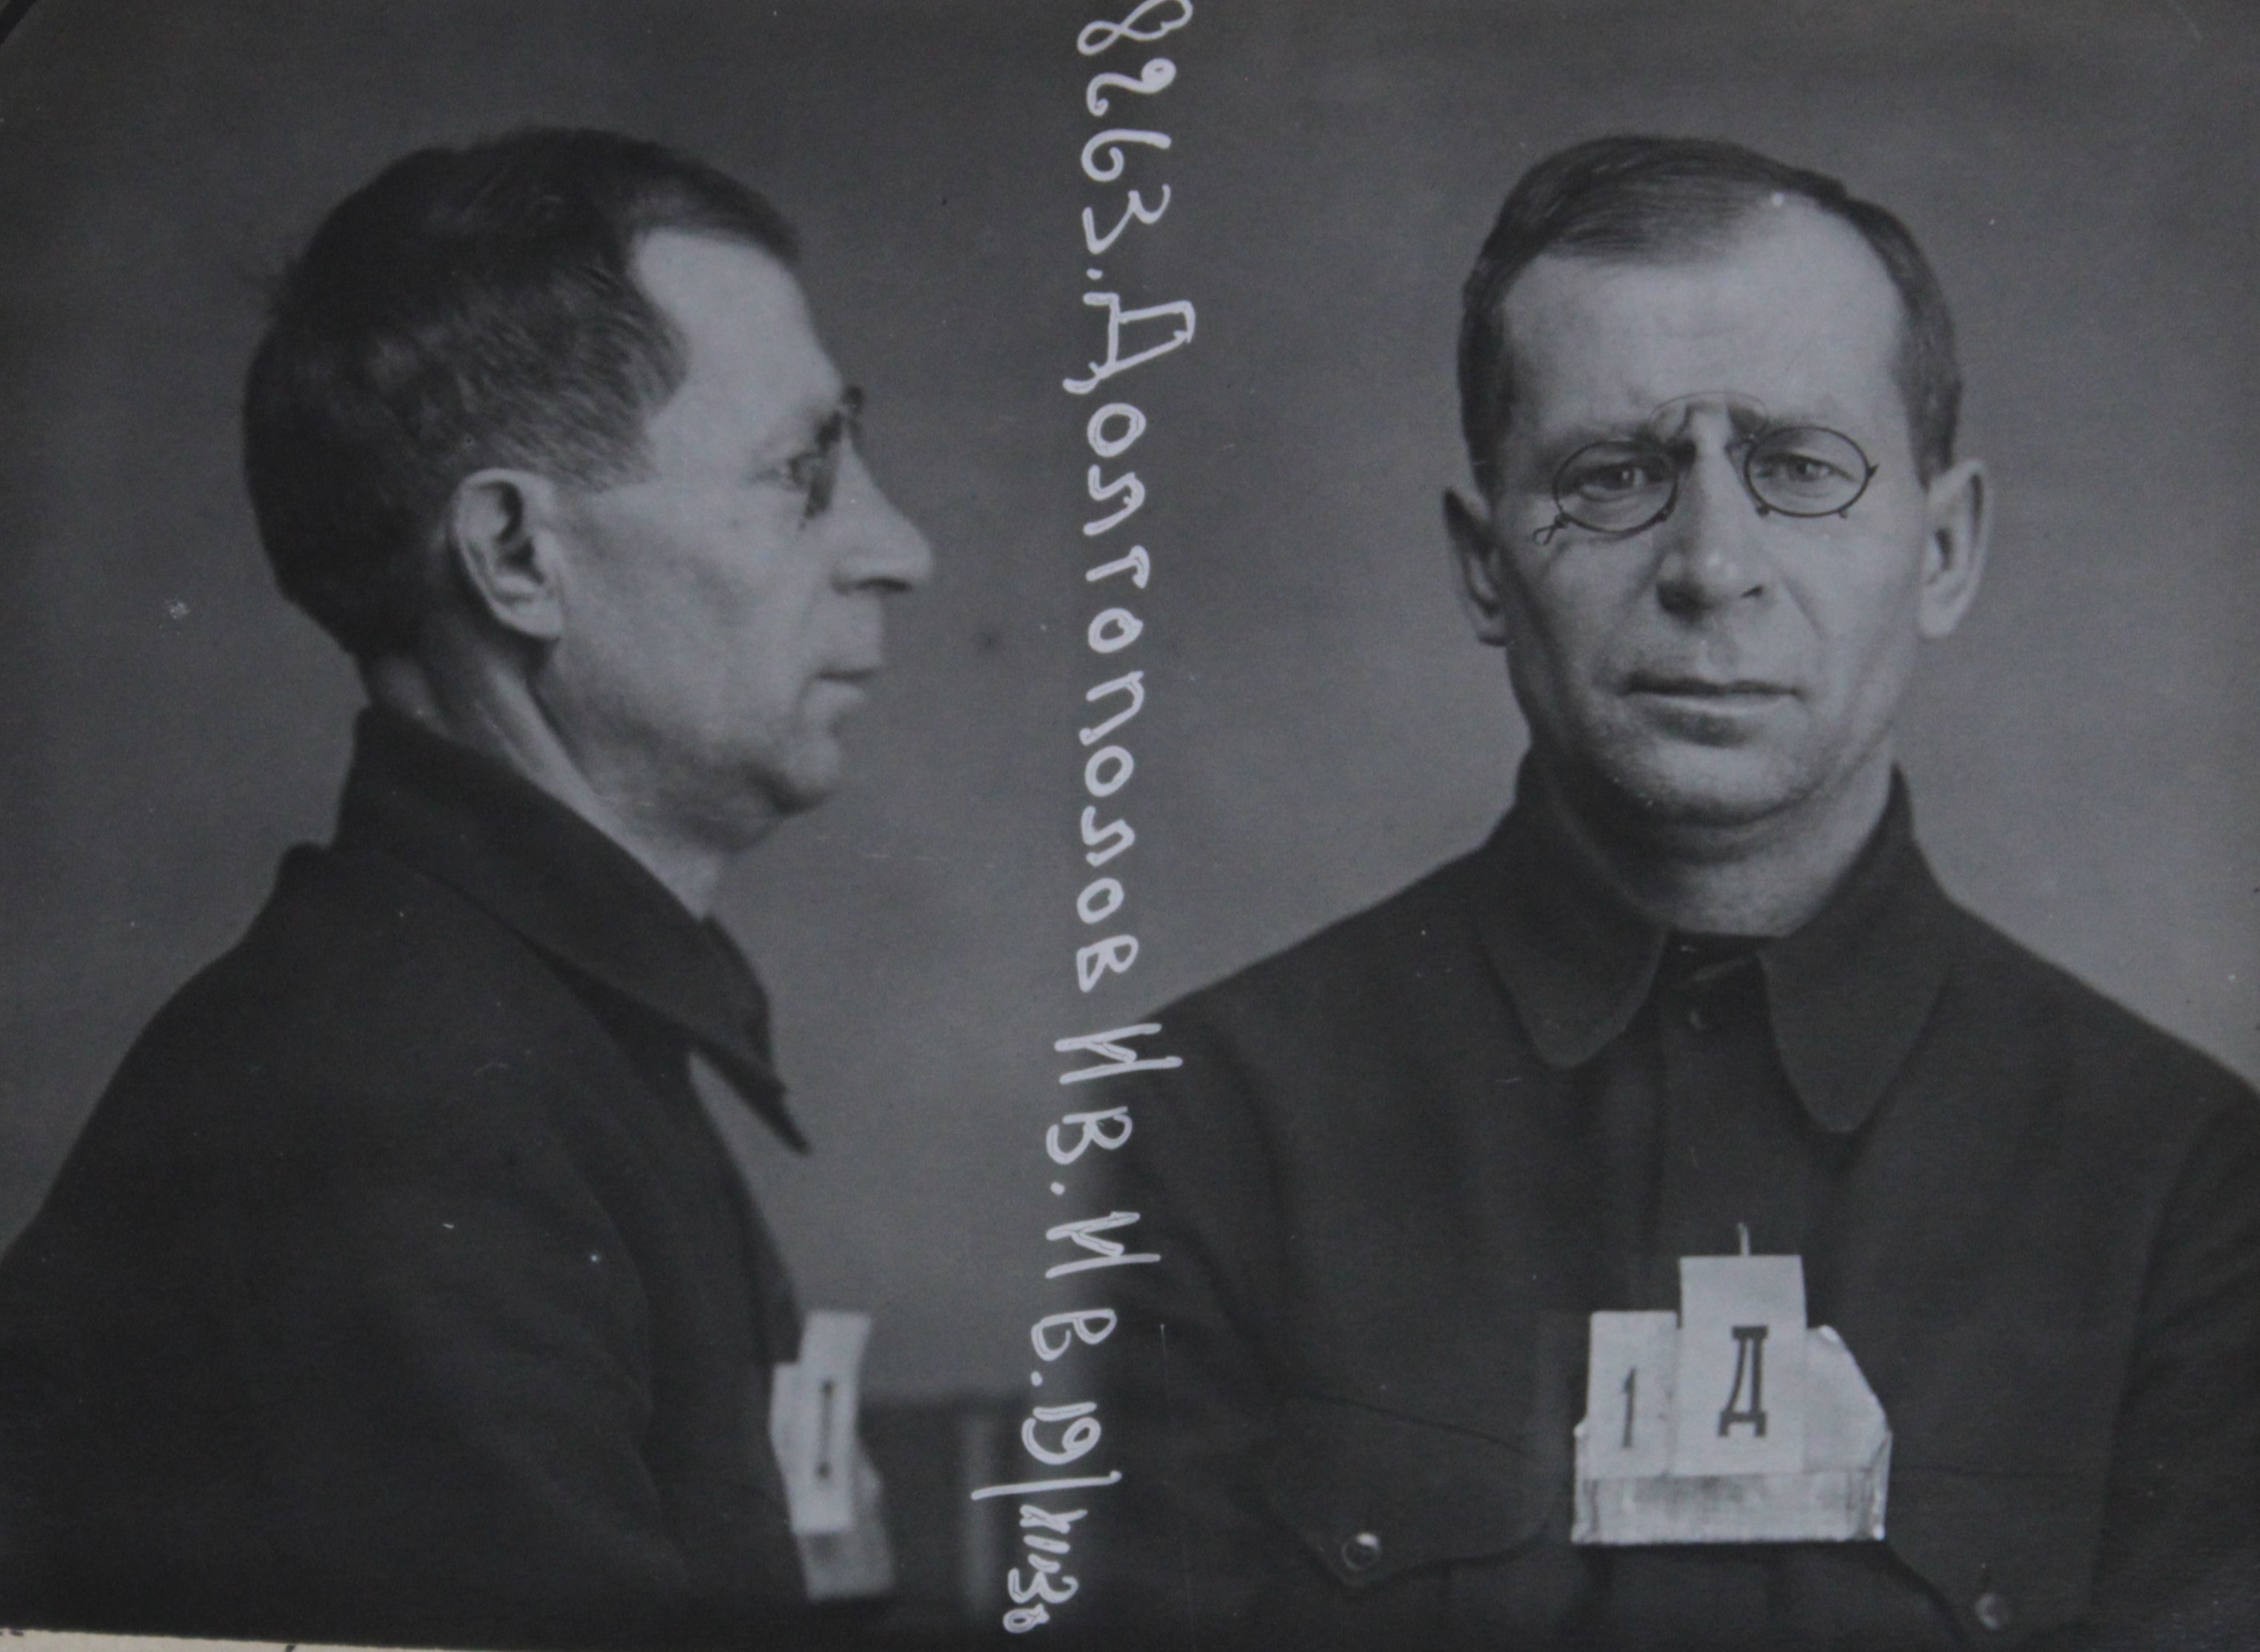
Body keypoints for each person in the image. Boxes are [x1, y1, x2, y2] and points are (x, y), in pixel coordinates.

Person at [1099, 135, 2260, 1649]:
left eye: (1798, 470)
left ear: (1944, 550)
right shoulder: (1204, 1130)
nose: (1712, 564)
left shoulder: (2186, 1187)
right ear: (1482, 564)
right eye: (1613, 475)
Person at [0, 128, 932, 1648]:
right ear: (514, 555)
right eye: (801, 473)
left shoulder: (505, 1037)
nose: (900, 548)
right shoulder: (406, 1109)